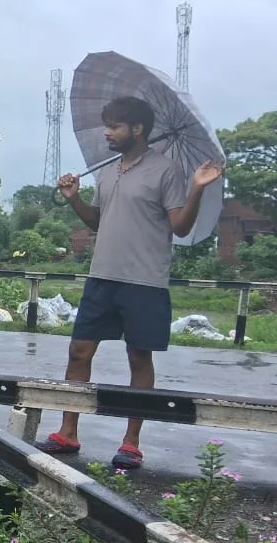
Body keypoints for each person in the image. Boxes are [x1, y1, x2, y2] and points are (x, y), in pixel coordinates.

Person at [36, 96, 222, 470]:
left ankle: (131, 442)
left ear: (137, 130)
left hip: (145, 281)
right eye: (107, 125)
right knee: (79, 352)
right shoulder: (106, 170)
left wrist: (197, 189)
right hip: (102, 277)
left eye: (115, 126)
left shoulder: (166, 170)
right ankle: (68, 432)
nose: (108, 132)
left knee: (139, 356)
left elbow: (180, 227)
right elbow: (97, 222)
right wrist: (74, 200)